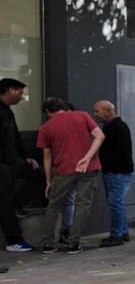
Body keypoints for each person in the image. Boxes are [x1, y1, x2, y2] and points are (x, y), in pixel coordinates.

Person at [37, 97, 104, 254]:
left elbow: (47, 157)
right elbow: (100, 136)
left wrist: (48, 180)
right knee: (83, 205)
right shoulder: (82, 116)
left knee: (54, 205)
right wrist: (88, 157)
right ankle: (73, 243)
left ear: (48, 112)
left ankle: (48, 243)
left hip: (63, 170)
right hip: (88, 168)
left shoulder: (45, 128)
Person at [0, 78, 39, 253]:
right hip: (4, 165)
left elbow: (15, 137)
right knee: (5, 201)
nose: (22, 97)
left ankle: (19, 207)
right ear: (10, 90)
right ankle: (13, 239)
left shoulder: (7, 112)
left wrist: (26, 157)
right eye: (20, 92)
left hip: (10, 163)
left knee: (34, 172)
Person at [93, 101, 133, 248]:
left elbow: (121, 151)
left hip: (117, 171)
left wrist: (112, 167)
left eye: (98, 111)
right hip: (116, 170)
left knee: (115, 202)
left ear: (108, 111)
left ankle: (117, 234)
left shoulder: (117, 127)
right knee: (118, 202)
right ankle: (122, 231)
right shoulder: (113, 126)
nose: (95, 114)